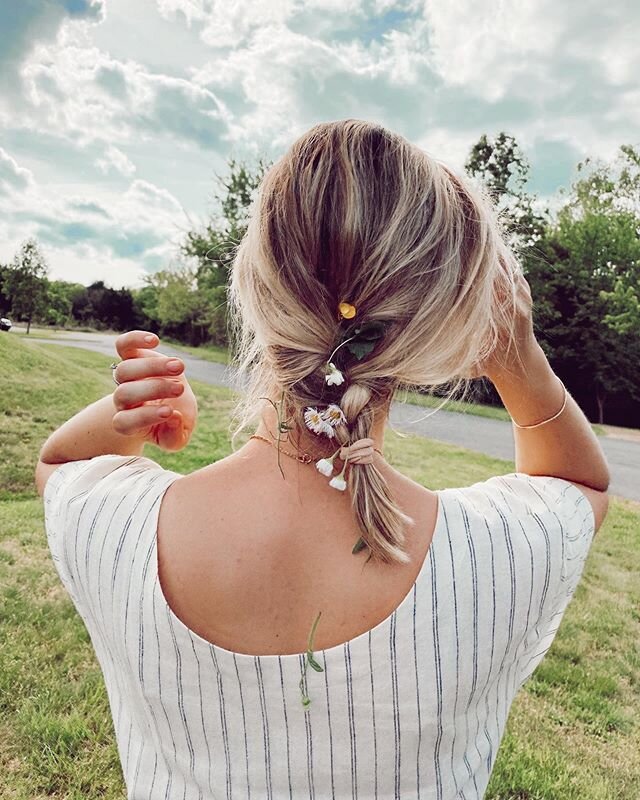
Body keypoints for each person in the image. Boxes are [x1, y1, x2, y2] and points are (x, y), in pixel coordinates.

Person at [36, 119, 610, 800]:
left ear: (254, 290)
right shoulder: (498, 556)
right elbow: (576, 483)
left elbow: (60, 467)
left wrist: (142, 406)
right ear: (442, 319)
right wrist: (519, 356)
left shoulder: (116, 530)